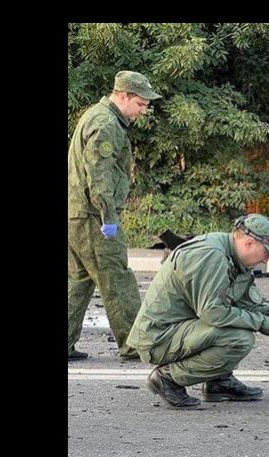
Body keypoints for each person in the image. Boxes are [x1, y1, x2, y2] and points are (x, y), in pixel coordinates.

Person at [128, 214, 269, 408]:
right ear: (249, 243)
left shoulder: (235, 258)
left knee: (238, 324)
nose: (266, 259)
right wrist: (268, 325)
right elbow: (214, 313)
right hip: (158, 338)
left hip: (180, 329)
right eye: (266, 252)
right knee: (239, 339)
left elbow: (245, 305)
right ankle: (167, 378)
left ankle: (218, 381)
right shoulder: (212, 256)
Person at [68, 71, 162, 361]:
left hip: (78, 214)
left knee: (79, 280)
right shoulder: (106, 123)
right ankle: (136, 344)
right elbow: (99, 176)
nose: (143, 111)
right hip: (94, 217)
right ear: (123, 96)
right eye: (141, 104)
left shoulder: (96, 116)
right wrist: (108, 217)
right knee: (117, 279)